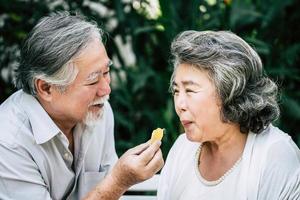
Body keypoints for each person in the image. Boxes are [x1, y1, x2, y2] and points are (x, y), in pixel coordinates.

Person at [0, 11, 164, 200]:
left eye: (107, 72)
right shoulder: (7, 143)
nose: (106, 90)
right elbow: (109, 188)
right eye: (93, 80)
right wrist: (117, 182)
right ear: (46, 88)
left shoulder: (98, 110)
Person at [157, 30, 300, 200]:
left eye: (190, 90)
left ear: (230, 92)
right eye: (176, 91)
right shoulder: (182, 149)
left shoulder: (274, 154)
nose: (179, 104)